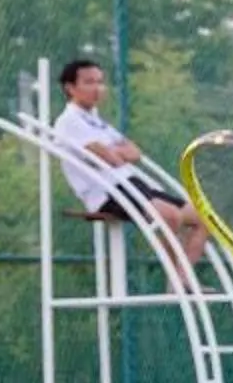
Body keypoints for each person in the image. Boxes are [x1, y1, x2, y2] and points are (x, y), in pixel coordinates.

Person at [47, 58, 209, 269]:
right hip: (107, 192)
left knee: (203, 219)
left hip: (130, 182)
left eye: (100, 82)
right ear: (70, 88)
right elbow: (111, 159)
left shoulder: (95, 121)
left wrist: (113, 152)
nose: (97, 88)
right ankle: (176, 280)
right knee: (170, 216)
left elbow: (134, 153)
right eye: (89, 82)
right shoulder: (69, 122)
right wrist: (115, 153)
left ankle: (184, 278)